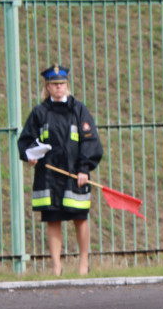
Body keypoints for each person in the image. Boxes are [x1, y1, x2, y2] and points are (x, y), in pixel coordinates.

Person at [17, 65, 104, 276]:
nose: (59, 88)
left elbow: (90, 140)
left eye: (62, 84)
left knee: (80, 217)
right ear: (47, 87)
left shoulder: (78, 110)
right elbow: (26, 141)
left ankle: (84, 264)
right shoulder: (40, 112)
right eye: (55, 85)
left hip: (75, 174)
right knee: (53, 219)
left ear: (67, 85)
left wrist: (84, 168)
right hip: (48, 176)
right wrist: (31, 156)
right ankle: (56, 266)